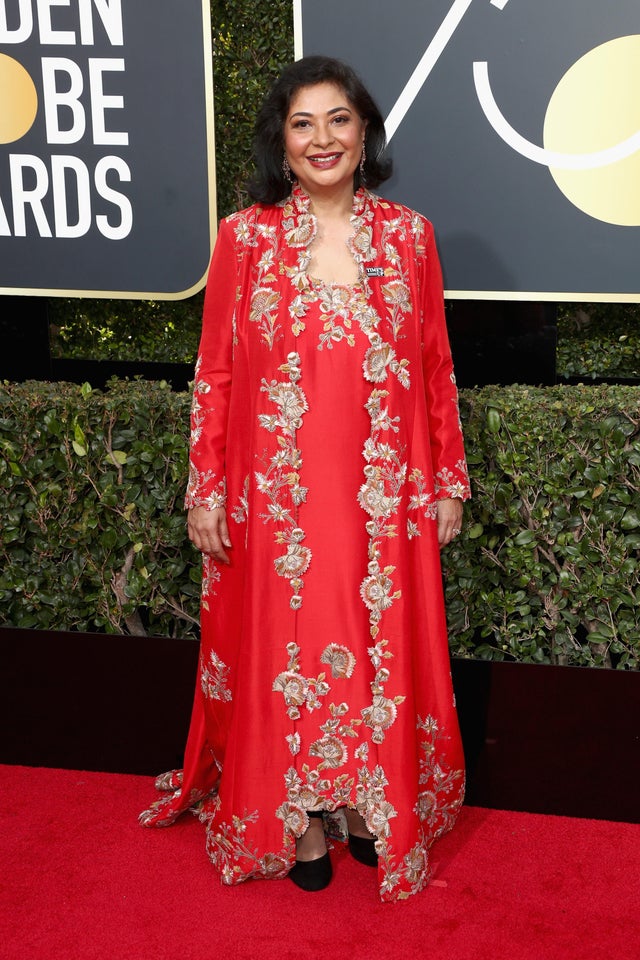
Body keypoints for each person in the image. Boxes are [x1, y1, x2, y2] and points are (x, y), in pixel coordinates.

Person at [140, 55, 470, 901]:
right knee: (284, 649)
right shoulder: (244, 238)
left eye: (338, 120)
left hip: (384, 491)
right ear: (280, 144)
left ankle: (368, 803)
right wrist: (206, 490)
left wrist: (447, 483)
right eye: (302, 124)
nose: (322, 139)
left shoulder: (409, 235)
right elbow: (213, 372)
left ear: (365, 134)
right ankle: (303, 816)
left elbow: (435, 366)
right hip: (278, 501)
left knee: (376, 650)